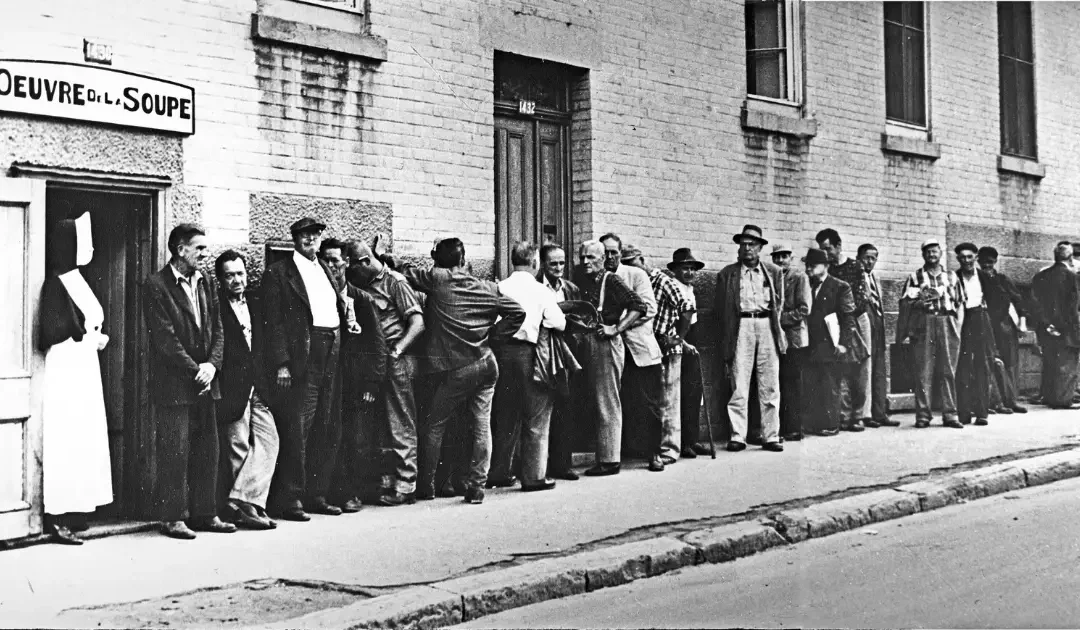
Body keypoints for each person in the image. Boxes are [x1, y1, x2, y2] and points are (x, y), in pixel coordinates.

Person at [394, 237, 526, 504]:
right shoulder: (488, 287)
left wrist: (384, 254)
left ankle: (426, 486)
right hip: (487, 363)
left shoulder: (439, 278)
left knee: (434, 424)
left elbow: (405, 270)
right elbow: (518, 312)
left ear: (436, 259)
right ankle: (477, 486)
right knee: (481, 424)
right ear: (464, 260)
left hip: (457, 367)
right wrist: (493, 336)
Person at [143, 223, 234, 539]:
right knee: (175, 451)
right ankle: (172, 517)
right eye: (199, 248)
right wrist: (196, 370)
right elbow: (165, 340)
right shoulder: (156, 285)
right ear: (180, 250)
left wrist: (213, 365)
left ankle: (205, 514)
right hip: (176, 385)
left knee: (208, 448)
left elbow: (217, 327)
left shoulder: (206, 281)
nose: (205, 254)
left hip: (207, 381)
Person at [263, 217, 346, 521]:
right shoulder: (279, 273)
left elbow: (334, 304)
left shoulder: (324, 267)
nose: (311, 239)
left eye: (315, 234)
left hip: (332, 347)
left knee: (327, 422)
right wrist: (282, 363)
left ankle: (317, 493)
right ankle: (290, 498)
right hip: (304, 355)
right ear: (294, 239)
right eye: (304, 235)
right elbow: (273, 323)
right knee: (299, 425)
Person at [38, 213, 113, 545]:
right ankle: (58, 515)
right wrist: (85, 339)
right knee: (65, 438)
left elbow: (85, 325)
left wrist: (94, 338)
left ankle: (77, 508)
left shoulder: (77, 278)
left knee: (84, 436)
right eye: (86, 240)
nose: (92, 247)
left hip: (83, 370)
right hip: (66, 371)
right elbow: (54, 331)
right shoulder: (57, 282)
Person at [343, 241, 425, 506]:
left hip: (394, 359)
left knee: (400, 420)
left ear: (365, 262)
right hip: (374, 360)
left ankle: (406, 484)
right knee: (380, 423)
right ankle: (387, 482)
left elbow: (417, 323)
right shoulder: (366, 282)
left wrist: (398, 350)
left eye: (352, 268)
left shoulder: (395, 283)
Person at [489, 242, 567, 491]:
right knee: (536, 414)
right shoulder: (540, 290)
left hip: (501, 354)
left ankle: (500, 471)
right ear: (535, 262)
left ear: (513, 261)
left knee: (504, 414)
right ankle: (533, 476)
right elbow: (559, 322)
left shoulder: (500, 286)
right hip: (528, 354)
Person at [214, 250, 279, 530]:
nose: (236, 280)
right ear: (220, 279)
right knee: (238, 445)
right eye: (229, 275)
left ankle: (241, 500)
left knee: (269, 441)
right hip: (232, 385)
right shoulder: (216, 305)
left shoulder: (256, 301)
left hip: (259, 384)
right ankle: (247, 508)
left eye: (240, 274)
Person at [574, 240, 648, 475]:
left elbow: (639, 305)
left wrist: (616, 328)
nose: (585, 262)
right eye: (582, 257)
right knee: (596, 400)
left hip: (606, 343)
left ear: (603, 259)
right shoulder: (584, 280)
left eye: (591, 258)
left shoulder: (612, 280)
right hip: (589, 342)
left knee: (607, 400)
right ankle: (603, 454)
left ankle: (610, 460)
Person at [714, 225, 786, 452]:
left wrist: (775, 327)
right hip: (741, 325)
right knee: (739, 382)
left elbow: (779, 303)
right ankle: (737, 435)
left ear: (760, 248)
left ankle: (771, 435)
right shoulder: (728, 274)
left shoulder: (773, 272)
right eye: (743, 244)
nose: (747, 249)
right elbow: (720, 309)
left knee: (770, 383)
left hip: (766, 324)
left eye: (752, 244)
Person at [599, 234, 666, 471]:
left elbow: (648, 309)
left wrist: (618, 324)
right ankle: (621, 451)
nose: (608, 257)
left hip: (638, 348)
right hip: (611, 351)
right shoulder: (599, 279)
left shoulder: (635, 275)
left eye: (613, 252)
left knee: (648, 403)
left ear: (620, 254)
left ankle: (654, 453)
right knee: (619, 401)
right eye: (604, 253)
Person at [623, 245, 693, 467]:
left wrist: (679, 338)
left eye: (632, 262)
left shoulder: (662, 280)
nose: (630, 267)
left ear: (642, 260)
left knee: (669, 400)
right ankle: (650, 446)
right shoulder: (632, 280)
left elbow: (687, 306)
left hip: (668, 346)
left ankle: (670, 449)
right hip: (650, 347)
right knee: (653, 400)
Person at [897, 239, 964, 428]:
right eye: (928, 252)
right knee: (923, 371)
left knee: (948, 370)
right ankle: (923, 415)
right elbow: (905, 304)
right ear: (923, 254)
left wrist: (957, 327)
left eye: (935, 251)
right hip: (924, 322)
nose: (931, 255)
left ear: (940, 253)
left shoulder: (951, 276)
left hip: (947, 321)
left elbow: (959, 303)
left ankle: (950, 414)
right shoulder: (915, 277)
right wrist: (918, 304)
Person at [816, 229, 871, 431]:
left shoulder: (855, 267)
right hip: (833, 325)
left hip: (853, 321)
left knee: (858, 369)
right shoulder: (827, 270)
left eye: (828, 248)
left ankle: (858, 416)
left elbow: (860, 297)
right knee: (839, 370)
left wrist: (846, 319)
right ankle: (843, 415)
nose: (825, 253)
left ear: (838, 246)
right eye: (822, 249)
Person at [538, 243, 584, 480]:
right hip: (544, 351)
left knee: (565, 406)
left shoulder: (571, 289)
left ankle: (562, 464)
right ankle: (539, 465)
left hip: (566, 353)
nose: (558, 268)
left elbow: (579, 318)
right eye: (553, 263)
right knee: (543, 407)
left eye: (562, 263)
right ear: (543, 264)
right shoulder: (536, 287)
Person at [802, 248, 857, 436]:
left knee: (829, 384)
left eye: (813, 265)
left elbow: (849, 318)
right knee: (811, 383)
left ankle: (831, 423)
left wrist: (844, 343)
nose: (809, 269)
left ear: (826, 266)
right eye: (807, 265)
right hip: (809, 343)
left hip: (830, 343)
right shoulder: (806, 285)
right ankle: (814, 423)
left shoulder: (840, 286)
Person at [667, 248, 712, 458]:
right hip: (677, 343)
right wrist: (683, 342)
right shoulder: (672, 288)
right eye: (685, 268)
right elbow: (670, 322)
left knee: (694, 393)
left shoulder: (690, 289)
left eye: (692, 269)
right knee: (681, 395)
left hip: (692, 341)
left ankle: (693, 439)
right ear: (675, 270)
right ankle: (682, 442)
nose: (689, 273)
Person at [953, 243, 1002, 426]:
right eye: (962, 257)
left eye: (969, 257)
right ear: (958, 259)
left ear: (975, 257)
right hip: (962, 320)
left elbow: (998, 301)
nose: (966, 260)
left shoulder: (985, 277)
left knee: (983, 365)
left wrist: (989, 319)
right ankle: (964, 412)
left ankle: (982, 412)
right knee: (963, 367)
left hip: (981, 319)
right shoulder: (953, 277)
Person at [978, 246, 1028, 414]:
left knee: (1011, 363)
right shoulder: (976, 279)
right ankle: (995, 402)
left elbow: (1018, 300)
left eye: (990, 262)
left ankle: (1011, 400)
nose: (987, 266)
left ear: (995, 262)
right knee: (991, 364)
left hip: (1005, 326)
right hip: (986, 325)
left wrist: (1022, 322)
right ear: (979, 261)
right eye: (984, 262)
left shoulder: (1003, 279)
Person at [1030, 242, 1080, 409]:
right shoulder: (1071, 276)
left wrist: (1047, 324)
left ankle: (1050, 397)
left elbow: (1035, 303)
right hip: (1066, 329)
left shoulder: (1041, 276)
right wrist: (1068, 327)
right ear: (1070, 257)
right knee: (1067, 365)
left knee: (1050, 362)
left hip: (1046, 328)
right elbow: (1071, 306)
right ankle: (1064, 400)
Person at [770, 243, 812, 441]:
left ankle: (794, 428)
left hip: (794, 338)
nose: (780, 261)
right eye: (776, 257)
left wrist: (779, 319)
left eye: (784, 256)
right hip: (777, 338)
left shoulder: (799, 277)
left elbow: (804, 309)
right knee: (779, 383)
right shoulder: (772, 277)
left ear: (791, 258)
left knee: (793, 384)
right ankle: (781, 426)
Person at [857, 244, 901, 427]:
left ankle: (880, 412)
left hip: (878, 326)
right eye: (866, 257)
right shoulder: (857, 278)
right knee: (866, 371)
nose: (870, 261)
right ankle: (866, 415)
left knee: (880, 371)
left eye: (873, 258)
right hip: (865, 326)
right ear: (859, 258)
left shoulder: (874, 278)